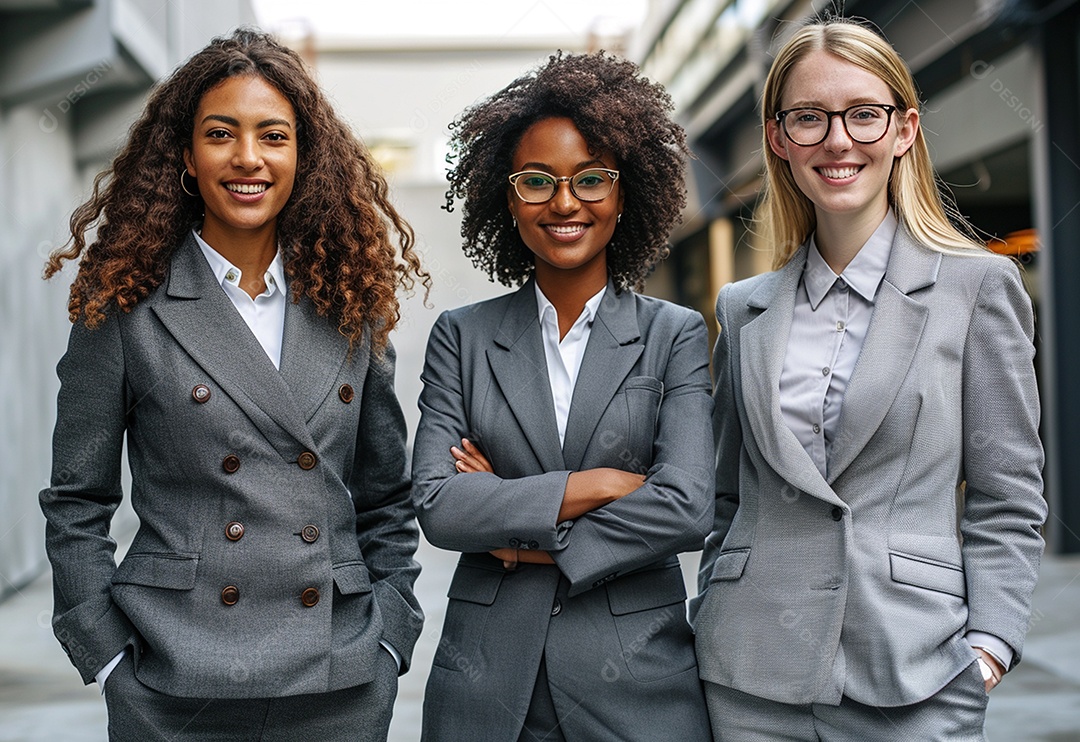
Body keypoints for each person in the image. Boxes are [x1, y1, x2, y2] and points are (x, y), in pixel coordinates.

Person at [39, 28, 428, 741]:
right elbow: (77, 501)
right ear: (187, 155)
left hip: (337, 680)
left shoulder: (351, 305)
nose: (248, 158)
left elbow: (385, 499)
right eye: (222, 134)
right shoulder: (125, 303)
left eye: (273, 136)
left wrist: (390, 637)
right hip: (174, 676)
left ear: (301, 156)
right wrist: (107, 655)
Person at [692, 17, 1047, 741]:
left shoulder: (976, 288)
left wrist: (989, 647)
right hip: (749, 678)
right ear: (778, 138)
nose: (838, 139)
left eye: (863, 113)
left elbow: (1008, 495)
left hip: (917, 677)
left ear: (904, 128)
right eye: (809, 118)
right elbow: (730, 497)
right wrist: (712, 609)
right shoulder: (743, 308)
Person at [411, 51, 714, 741]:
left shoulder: (674, 336)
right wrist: (599, 483)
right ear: (507, 198)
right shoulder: (462, 337)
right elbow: (439, 505)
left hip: (639, 689)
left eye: (591, 179)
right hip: (487, 691)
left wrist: (526, 544)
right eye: (538, 181)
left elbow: (688, 507)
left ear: (624, 193)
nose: (566, 202)